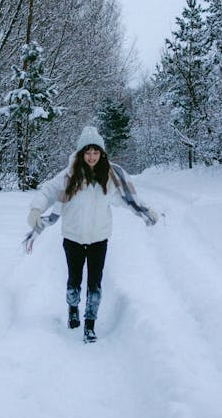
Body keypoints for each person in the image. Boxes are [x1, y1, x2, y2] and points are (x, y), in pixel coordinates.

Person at [24, 126, 159, 343]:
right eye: (87, 152)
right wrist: (36, 209)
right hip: (72, 238)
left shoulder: (110, 178)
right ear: (80, 153)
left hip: (99, 239)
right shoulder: (68, 176)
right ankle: (73, 308)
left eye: (96, 152)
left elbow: (128, 199)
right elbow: (47, 191)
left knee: (95, 283)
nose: (92, 157)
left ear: (102, 153)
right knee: (74, 280)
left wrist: (146, 211)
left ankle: (90, 323)